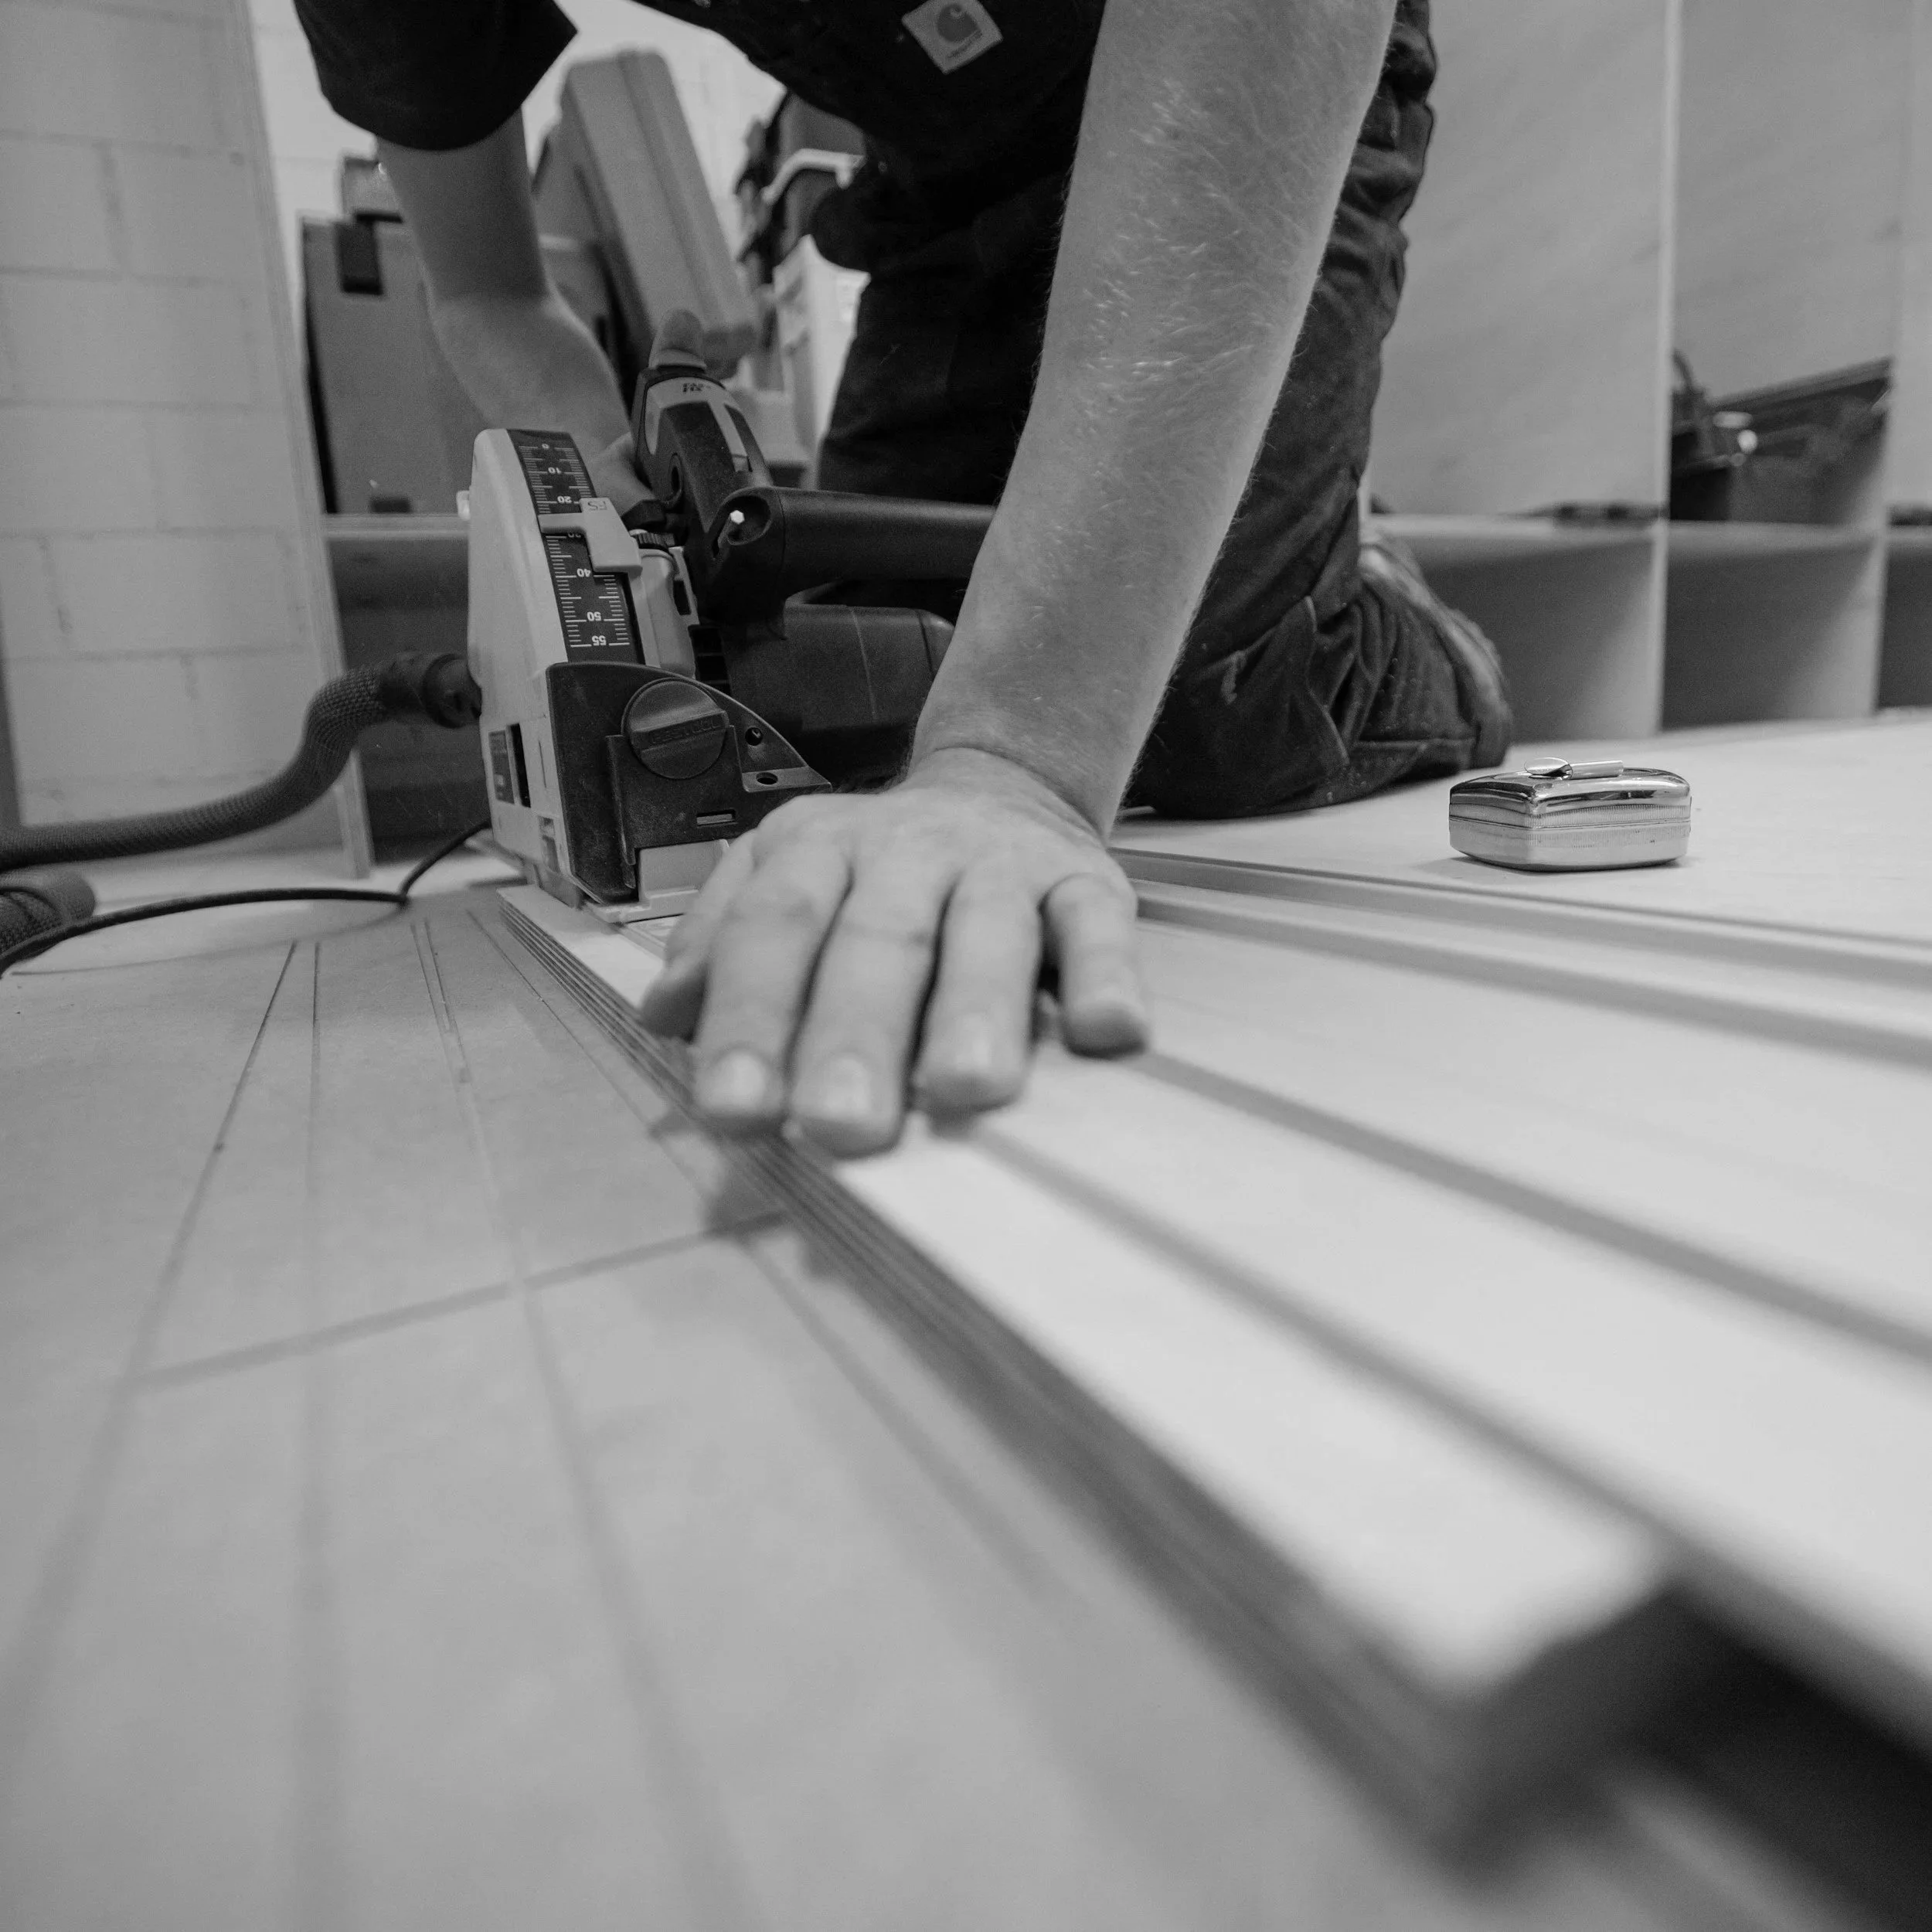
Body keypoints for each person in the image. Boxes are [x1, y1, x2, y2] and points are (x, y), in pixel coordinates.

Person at [294, 0, 1509, 1153]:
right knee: (867, 698)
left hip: (1239, 69)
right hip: (942, 181)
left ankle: (1398, 622)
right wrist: (621, 504)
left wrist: (1019, 763)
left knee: (1212, 700)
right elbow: (489, 293)